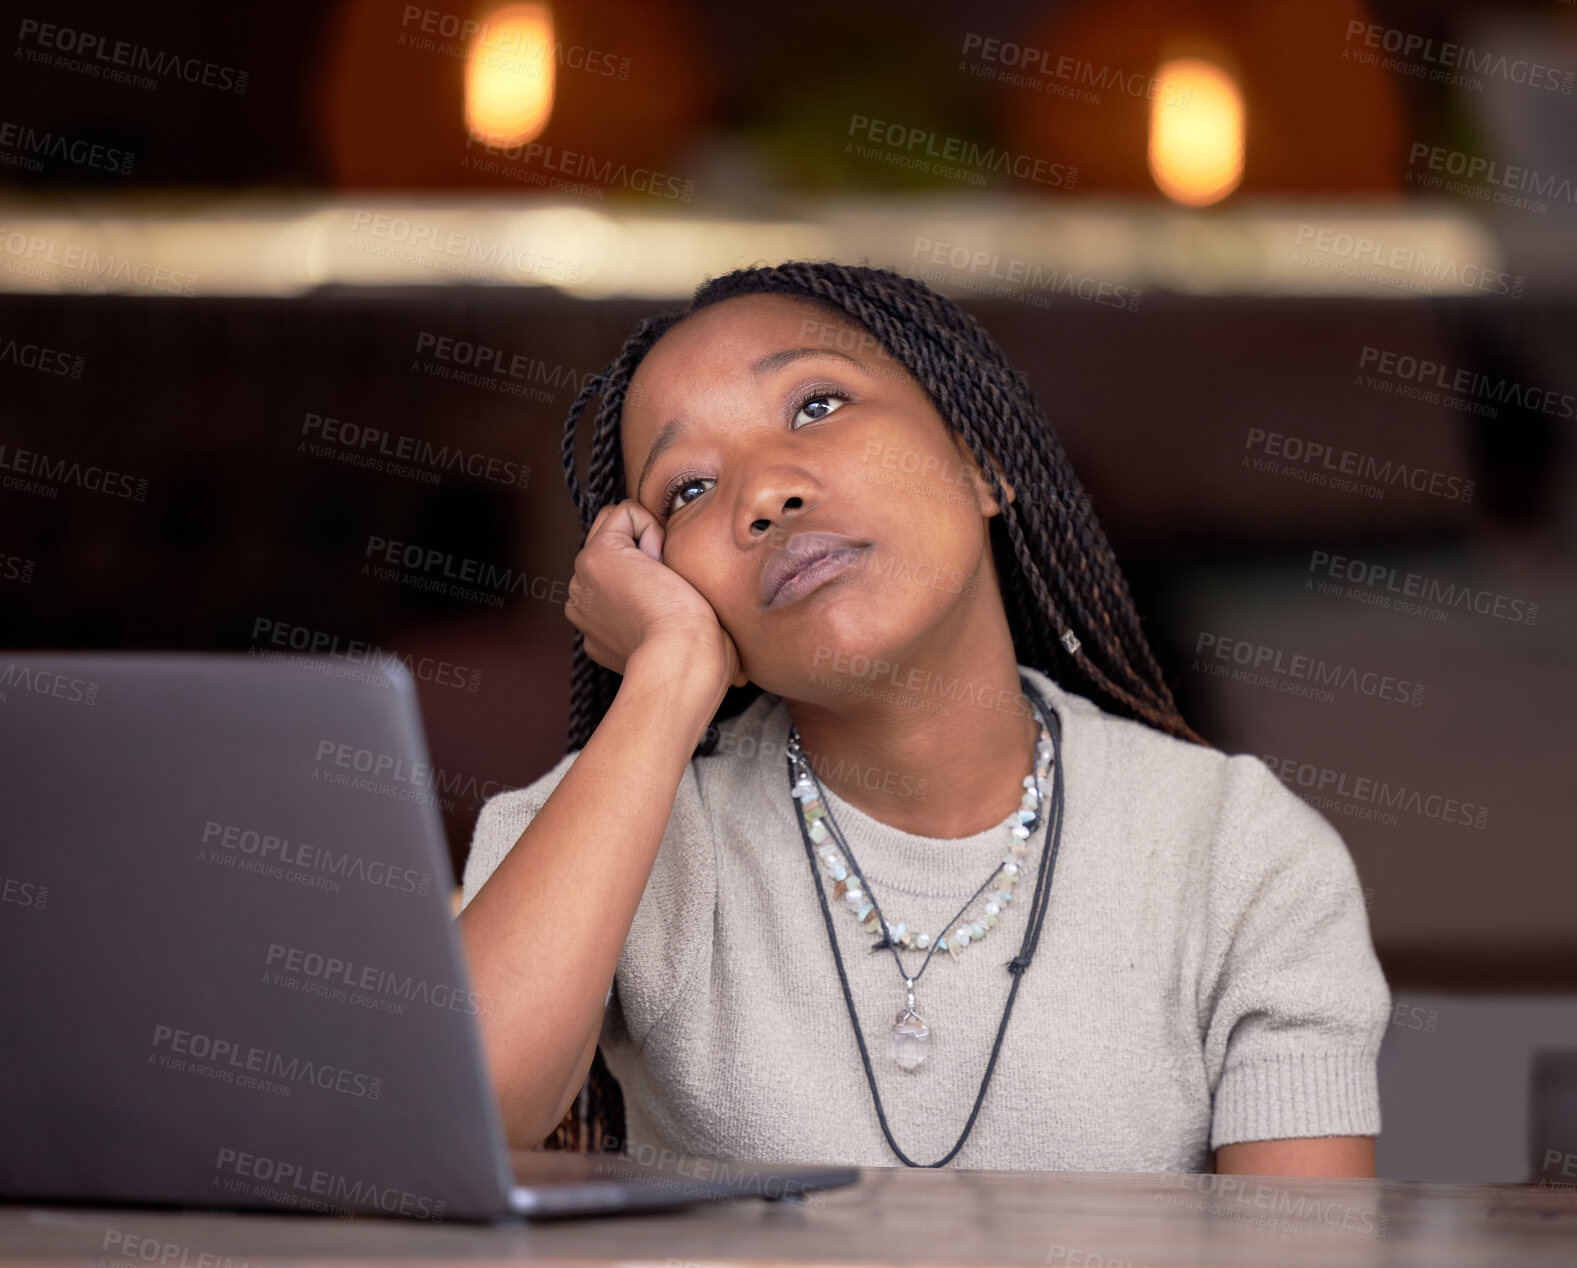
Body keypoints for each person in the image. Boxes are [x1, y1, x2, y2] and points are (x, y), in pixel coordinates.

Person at [457, 261, 1389, 1176]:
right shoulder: (601, 824)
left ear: (979, 462)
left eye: (817, 406)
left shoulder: (1242, 855)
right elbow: (467, 1114)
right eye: (688, 491)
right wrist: (666, 678)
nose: (763, 494)